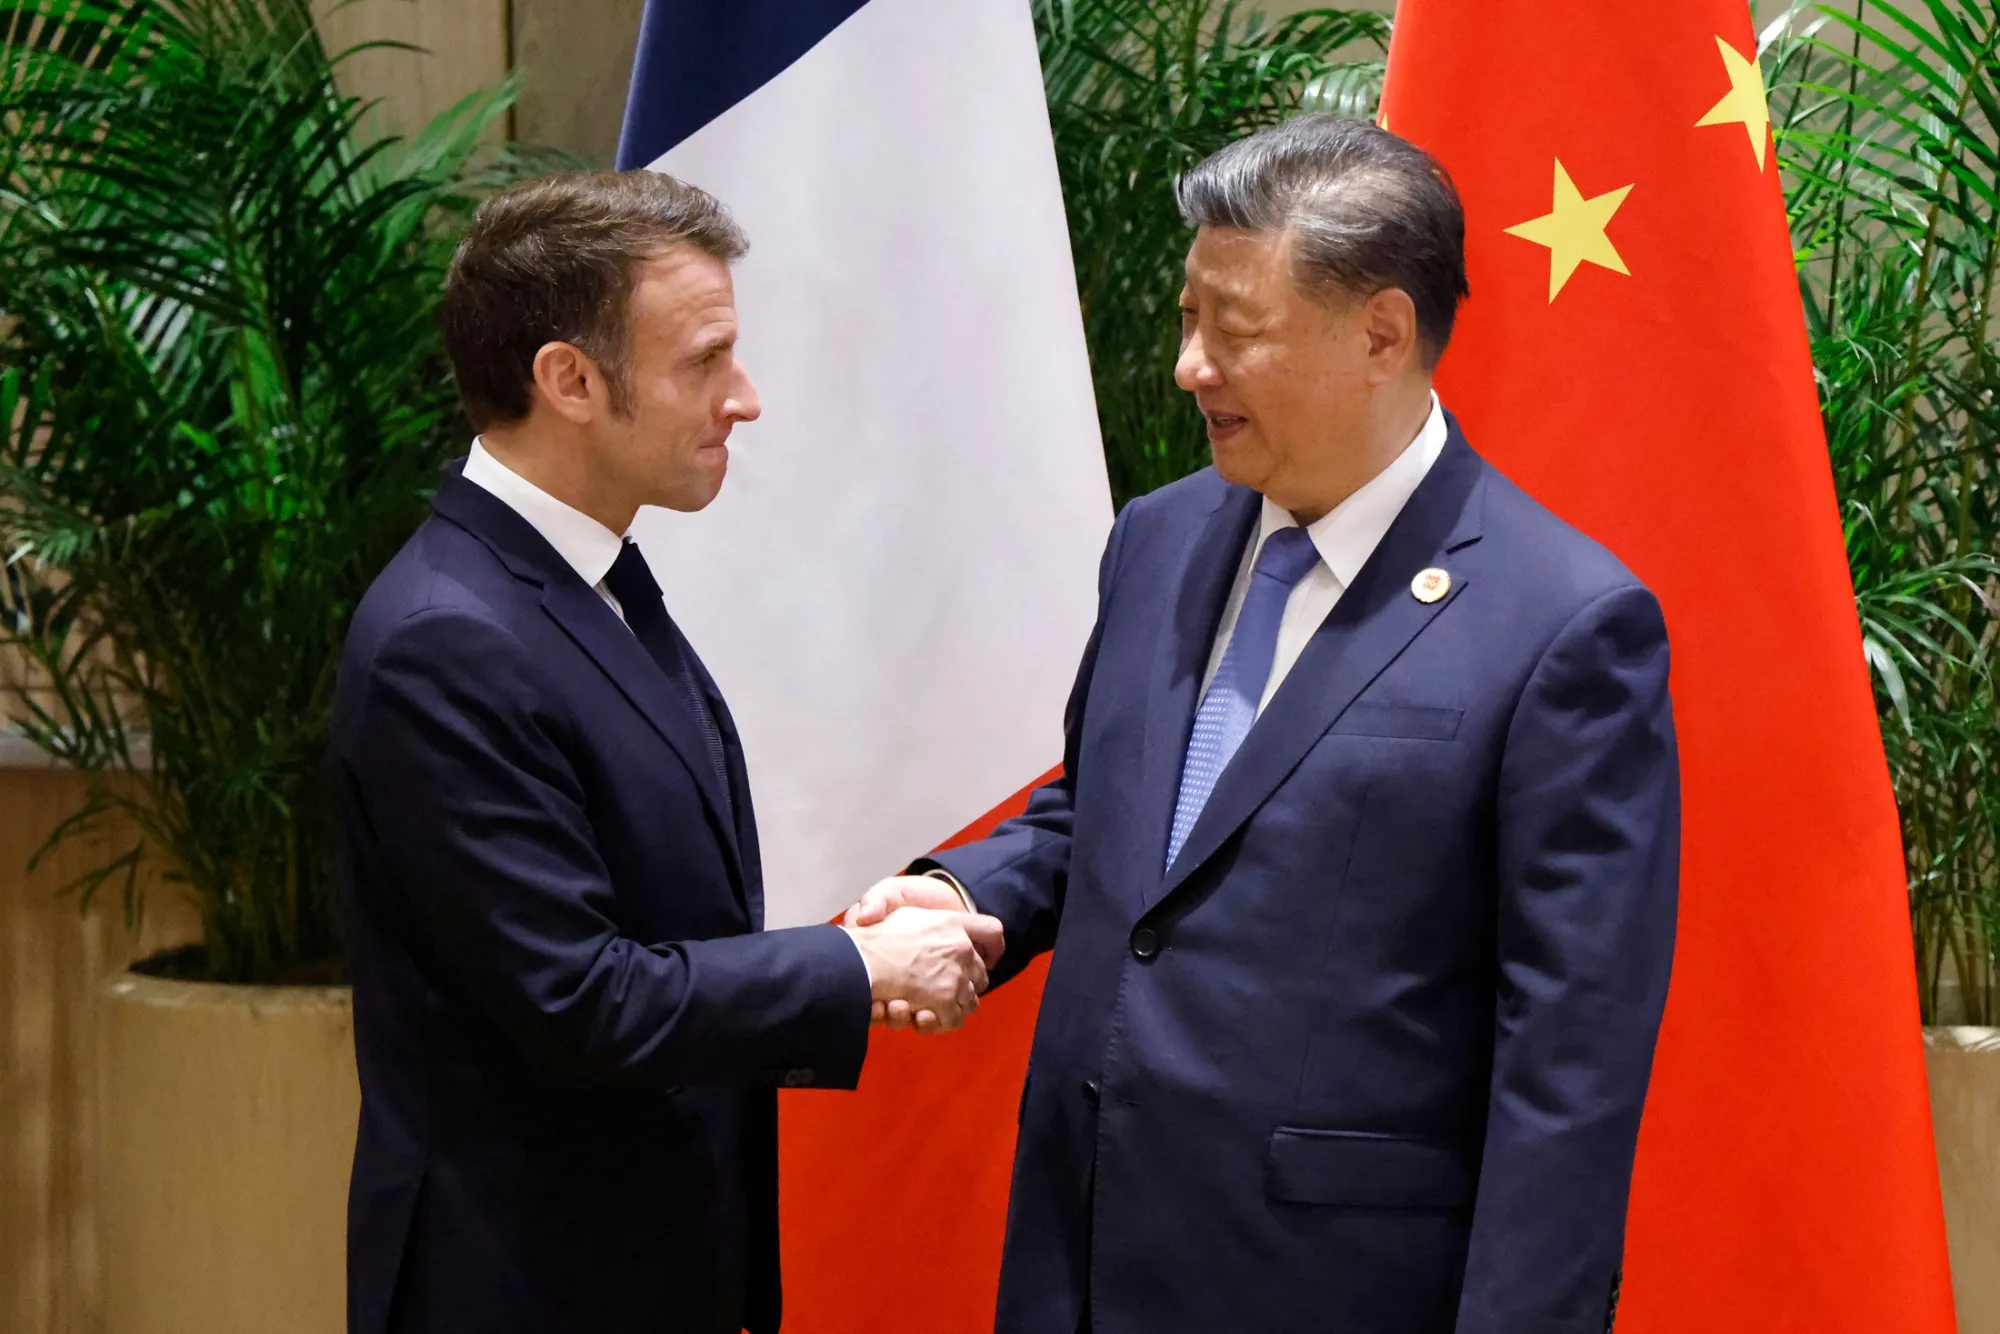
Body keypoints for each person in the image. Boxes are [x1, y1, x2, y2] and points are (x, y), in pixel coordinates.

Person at [849, 116, 1680, 1334]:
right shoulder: (1160, 535)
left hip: (1325, 1285)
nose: (1188, 364)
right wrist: (970, 893)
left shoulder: (1563, 624)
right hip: (1078, 1254)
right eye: (1188, 317)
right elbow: (1109, 811)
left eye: (1230, 330)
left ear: (1380, 334)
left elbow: (1569, 1063)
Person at [333, 170, 1001, 1334]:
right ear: (569, 380)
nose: (742, 398)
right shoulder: (447, 639)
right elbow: (575, 997)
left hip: (645, 1264)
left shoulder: (585, 572)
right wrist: (857, 971)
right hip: (524, 1285)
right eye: (703, 359)